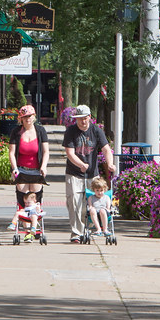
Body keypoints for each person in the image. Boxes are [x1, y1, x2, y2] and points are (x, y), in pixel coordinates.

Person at [62, 104, 115, 242]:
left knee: (93, 204)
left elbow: (106, 149)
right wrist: (80, 164)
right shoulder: (70, 131)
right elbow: (70, 153)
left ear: (90, 117)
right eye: (80, 118)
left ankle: (90, 227)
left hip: (92, 173)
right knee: (74, 203)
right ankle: (76, 233)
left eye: (85, 118)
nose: (82, 121)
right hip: (74, 173)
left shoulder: (96, 131)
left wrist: (110, 163)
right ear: (76, 119)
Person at [7, 104, 49, 231]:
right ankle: (26, 229)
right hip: (21, 170)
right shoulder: (16, 132)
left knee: (35, 199)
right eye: (25, 117)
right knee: (23, 199)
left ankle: (34, 226)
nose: (28, 119)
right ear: (21, 119)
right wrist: (15, 168)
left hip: (36, 170)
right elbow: (11, 152)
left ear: (34, 116)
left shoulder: (40, 131)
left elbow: (46, 151)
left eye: (30, 116)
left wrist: (44, 166)